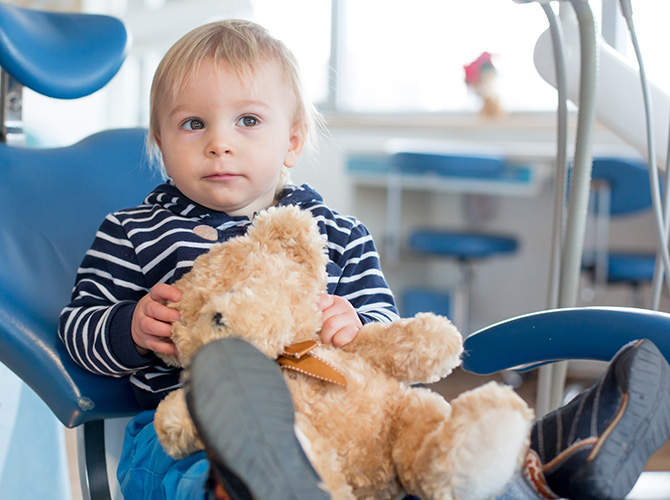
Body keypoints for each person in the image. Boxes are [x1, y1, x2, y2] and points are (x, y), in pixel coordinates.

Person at [58, 19, 670, 500]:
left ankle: (549, 464)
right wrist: (129, 326)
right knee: (169, 469)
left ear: (292, 139)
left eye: (248, 120)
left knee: (423, 448)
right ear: (161, 145)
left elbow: (384, 330)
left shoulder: (336, 233)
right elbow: (77, 330)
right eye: (193, 124)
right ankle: (249, 481)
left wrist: (353, 324)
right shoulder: (135, 231)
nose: (220, 141)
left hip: (342, 414)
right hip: (194, 425)